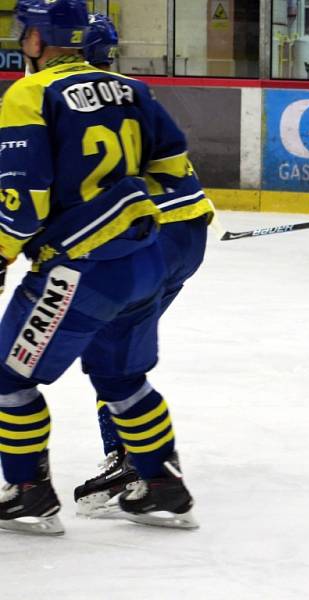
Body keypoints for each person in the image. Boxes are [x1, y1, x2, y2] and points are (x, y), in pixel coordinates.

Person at [0, 0, 203, 535]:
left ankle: (28, 491)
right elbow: (170, 165)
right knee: (121, 377)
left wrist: (1, 251)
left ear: (41, 39)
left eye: (25, 32)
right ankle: (162, 483)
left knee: (6, 378)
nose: (22, 41)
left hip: (76, 270)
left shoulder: (29, 93)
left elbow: (24, 196)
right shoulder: (131, 89)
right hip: (143, 261)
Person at [71, 13, 213, 518]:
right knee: (116, 345)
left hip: (149, 237)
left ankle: (131, 458)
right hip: (187, 230)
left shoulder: (68, 95)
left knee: (105, 345)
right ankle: (139, 456)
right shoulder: (131, 90)